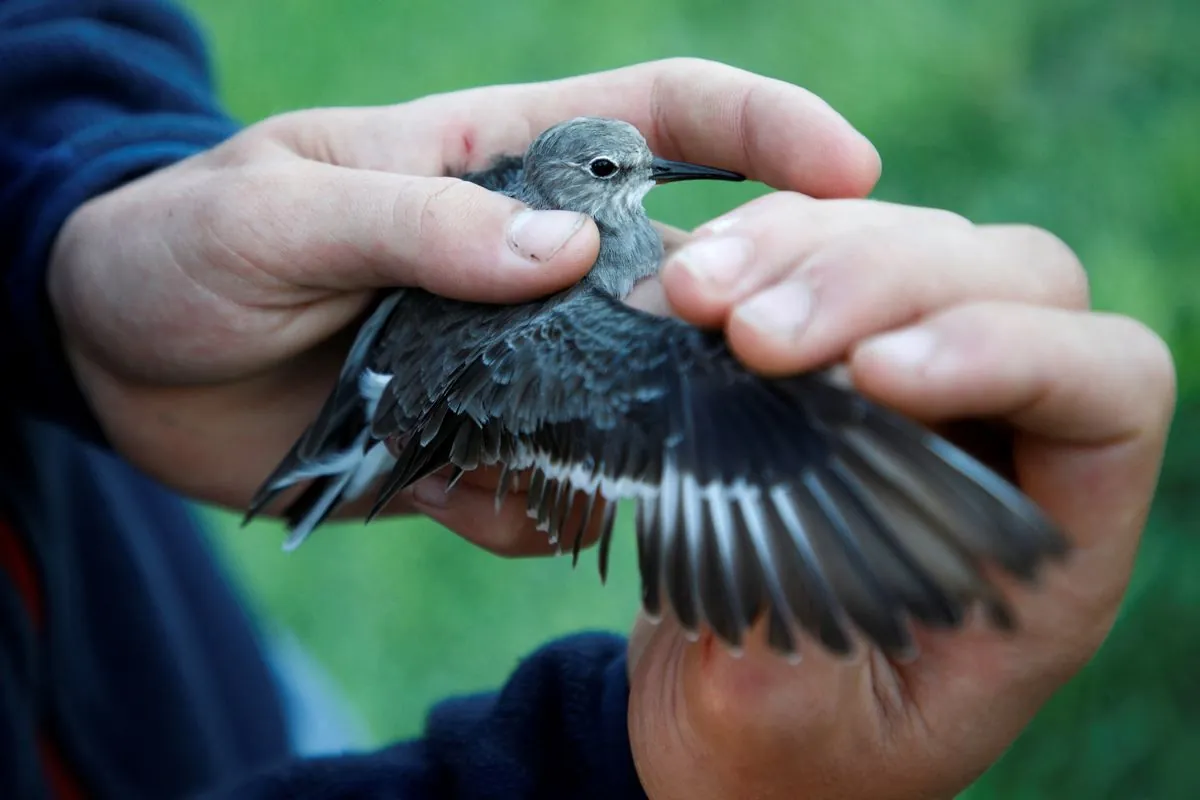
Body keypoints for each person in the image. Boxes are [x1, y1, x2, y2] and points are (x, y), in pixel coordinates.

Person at [0, 1, 1176, 798]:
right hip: (363, 424)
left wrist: (68, 236)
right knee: (726, 393)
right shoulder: (554, 271)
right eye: (619, 175)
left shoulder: (517, 215)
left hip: (165, 643)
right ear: (568, 185)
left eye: (636, 170)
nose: (650, 186)